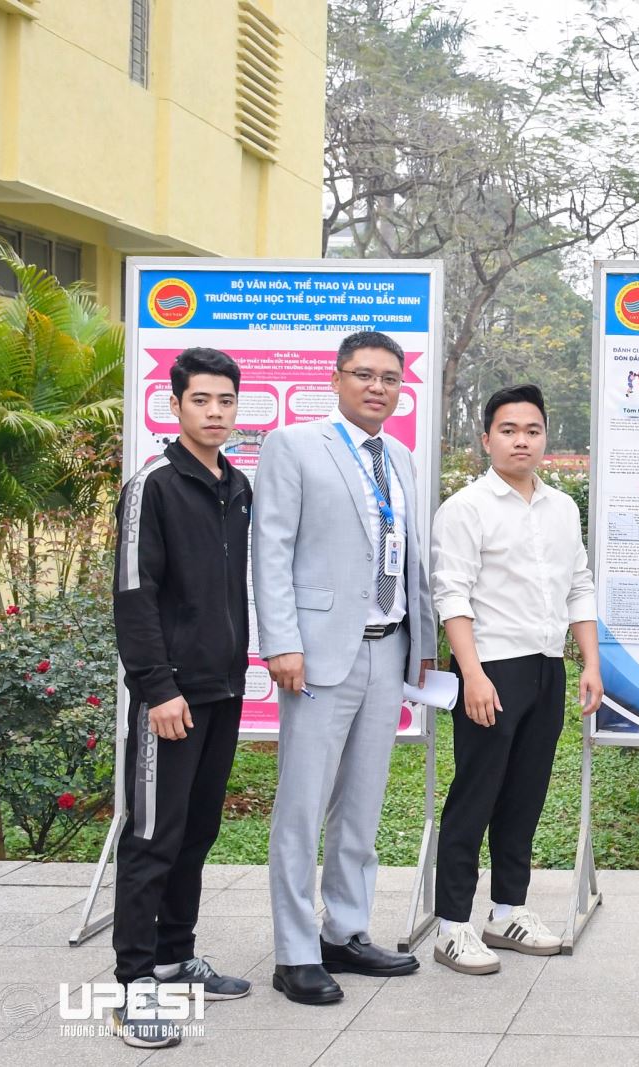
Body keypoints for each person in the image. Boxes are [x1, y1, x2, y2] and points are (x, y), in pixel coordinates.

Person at [253, 330, 435, 1004]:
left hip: (388, 647)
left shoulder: (401, 457)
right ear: (336, 379)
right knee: (302, 806)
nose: (377, 387)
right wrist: (281, 641)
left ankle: (346, 932)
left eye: (389, 378)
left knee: (362, 802)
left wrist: (421, 644)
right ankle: (295, 951)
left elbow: (406, 555)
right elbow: (271, 548)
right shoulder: (295, 445)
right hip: (318, 652)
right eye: (364, 374)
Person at [428, 384, 602, 975]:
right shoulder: (466, 508)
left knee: (525, 796)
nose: (521, 440)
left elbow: (579, 585)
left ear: (545, 437)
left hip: (547, 668)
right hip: (491, 670)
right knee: (474, 798)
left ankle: (507, 911)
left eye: (532, 430)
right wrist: (472, 674)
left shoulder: (562, 508)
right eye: (508, 430)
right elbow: (451, 595)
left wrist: (589, 663)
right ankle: (452, 926)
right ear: (487, 439)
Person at [110, 348, 253, 1049]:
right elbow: (134, 595)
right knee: (151, 838)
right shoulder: (154, 486)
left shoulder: (237, 485)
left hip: (223, 691)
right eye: (201, 399)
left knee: (196, 832)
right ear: (175, 405)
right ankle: (133, 985)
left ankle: (174, 956)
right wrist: (157, 687)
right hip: (170, 698)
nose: (215, 412)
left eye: (225, 400)